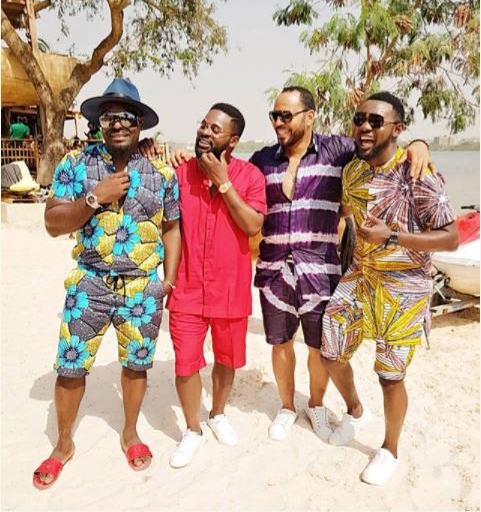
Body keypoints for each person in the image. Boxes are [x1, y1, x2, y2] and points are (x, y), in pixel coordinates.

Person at [145, 86, 431, 443]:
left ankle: (316, 404)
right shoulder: (263, 160)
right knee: (280, 344)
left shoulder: (338, 151)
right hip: (274, 268)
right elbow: (226, 168)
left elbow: (378, 145)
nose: (278, 122)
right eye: (274, 116)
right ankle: (285, 406)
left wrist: (419, 145)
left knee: (318, 347)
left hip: (320, 268)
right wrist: (187, 157)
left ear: (309, 117)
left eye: (285, 116)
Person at [33, 78, 181, 489]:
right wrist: (94, 197)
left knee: (136, 366)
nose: (117, 124)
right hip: (90, 284)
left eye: (126, 116)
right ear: (98, 123)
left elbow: (172, 227)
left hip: (142, 290)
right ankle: (63, 443)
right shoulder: (76, 165)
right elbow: (51, 223)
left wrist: (167, 281)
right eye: (108, 117)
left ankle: (130, 432)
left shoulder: (161, 173)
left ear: (140, 123)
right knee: (70, 368)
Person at [320, 92, 458, 485]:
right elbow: (346, 213)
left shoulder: (419, 175)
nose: (364, 127)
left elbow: (451, 238)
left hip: (405, 287)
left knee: (390, 375)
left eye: (375, 121)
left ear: (398, 129)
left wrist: (393, 237)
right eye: (359, 119)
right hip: (361, 276)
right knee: (331, 353)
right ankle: (355, 411)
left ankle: (389, 449)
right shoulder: (352, 171)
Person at [165, 103, 266, 468]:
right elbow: (168, 227)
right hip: (187, 287)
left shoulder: (250, 176)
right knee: (185, 364)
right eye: (203, 125)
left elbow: (252, 225)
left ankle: (218, 413)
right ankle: (193, 429)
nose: (205, 132)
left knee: (227, 359)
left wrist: (223, 182)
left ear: (233, 140)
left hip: (230, 288)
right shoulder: (180, 174)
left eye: (215, 129)